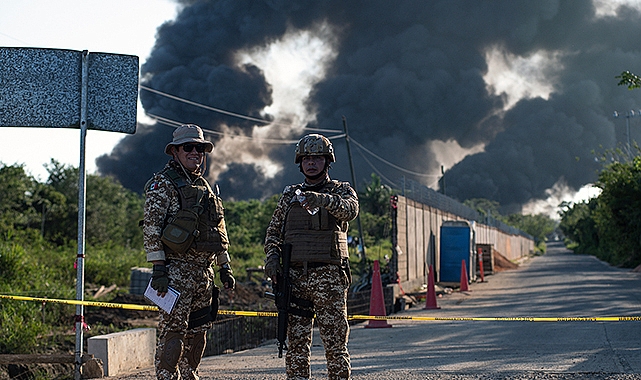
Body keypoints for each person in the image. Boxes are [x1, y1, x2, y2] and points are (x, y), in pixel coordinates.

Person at [143, 124, 235, 380]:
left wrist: (224, 266)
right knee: (173, 334)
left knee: (198, 335)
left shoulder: (204, 186)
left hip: (203, 274)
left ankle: (189, 375)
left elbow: (217, 230)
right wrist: (159, 269)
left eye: (200, 148)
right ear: (175, 152)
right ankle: (165, 376)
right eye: (188, 147)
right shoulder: (162, 184)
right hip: (175, 272)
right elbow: (151, 229)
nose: (195, 152)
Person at [264, 134, 359, 380]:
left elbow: (350, 210)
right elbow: (274, 233)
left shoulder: (341, 190)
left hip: (329, 279)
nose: (312, 163)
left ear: (327, 161)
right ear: (300, 162)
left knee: (335, 346)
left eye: (317, 158)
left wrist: (322, 199)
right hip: (295, 278)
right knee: (296, 347)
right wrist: (272, 261)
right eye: (307, 158)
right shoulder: (290, 196)